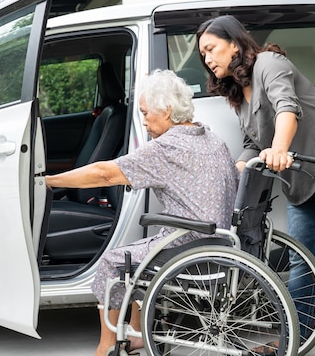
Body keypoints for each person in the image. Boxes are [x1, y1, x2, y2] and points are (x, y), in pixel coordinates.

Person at [196, 15, 315, 356]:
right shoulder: (238, 93)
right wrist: (239, 168)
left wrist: (278, 148)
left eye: (211, 48)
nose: (207, 58)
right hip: (299, 178)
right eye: (203, 55)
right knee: (301, 260)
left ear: (234, 42)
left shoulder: (268, 63)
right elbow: (251, 140)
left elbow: (287, 108)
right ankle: (297, 339)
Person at [45, 69, 239, 356]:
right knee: (139, 250)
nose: (144, 121)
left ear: (168, 110)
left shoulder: (167, 147)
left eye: (147, 113)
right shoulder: (211, 139)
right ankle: (135, 334)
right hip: (220, 243)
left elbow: (103, 173)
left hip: (188, 247)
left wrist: (47, 180)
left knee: (114, 261)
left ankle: (105, 345)